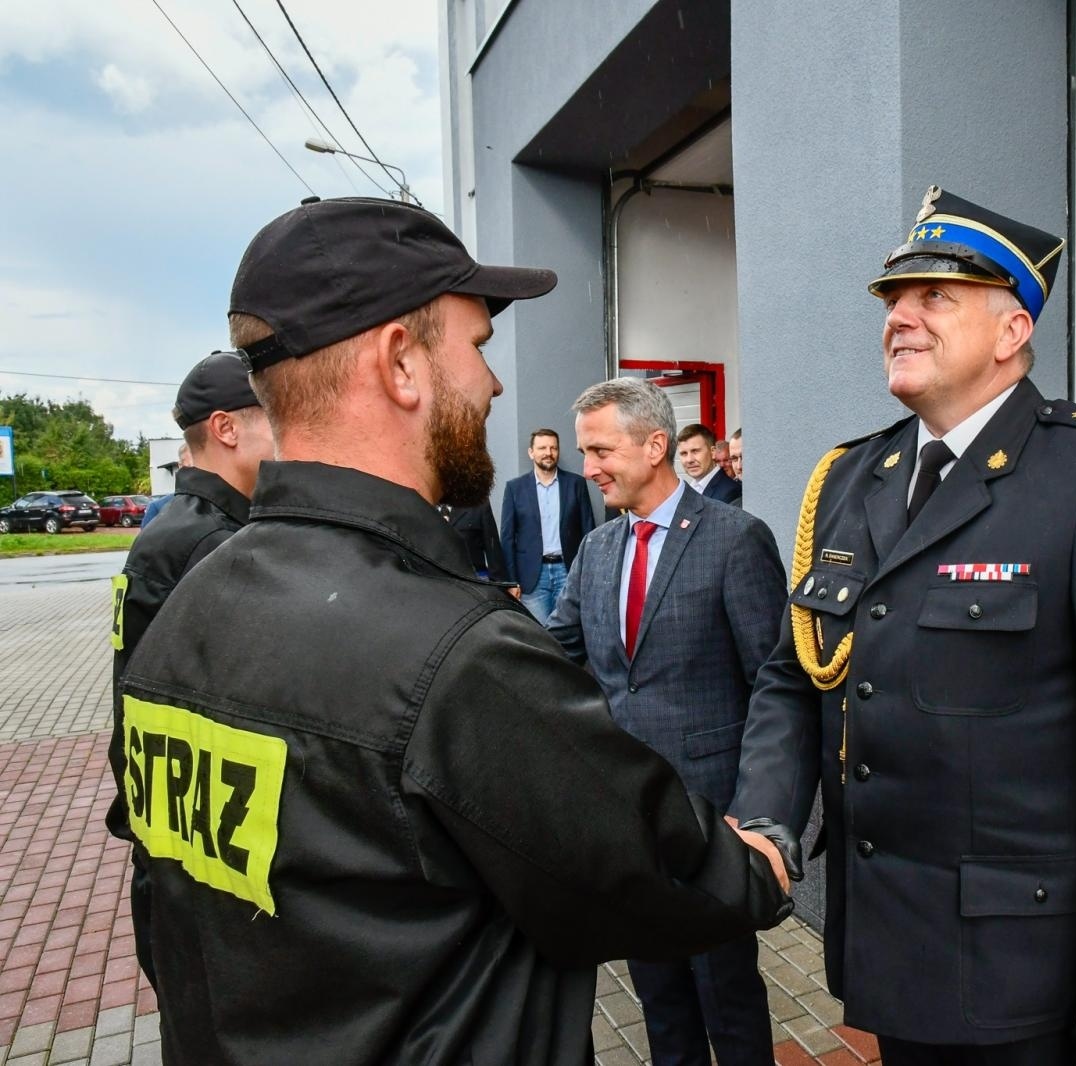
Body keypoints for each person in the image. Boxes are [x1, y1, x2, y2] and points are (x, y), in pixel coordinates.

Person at [117, 196, 790, 1065]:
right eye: (476, 347)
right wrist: (761, 866)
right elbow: (638, 872)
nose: (494, 383)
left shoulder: (185, 611)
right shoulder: (454, 653)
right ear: (401, 362)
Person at [730, 186, 1076, 1066]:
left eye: (934, 298)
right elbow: (790, 671)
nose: (900, 319)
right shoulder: (853, 477)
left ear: (1011, 334)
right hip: (888, 946)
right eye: (894, 301)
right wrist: (767, 817)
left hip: (1024, 968)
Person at [548, 378, 787, 1066]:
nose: (587, 467)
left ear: (656, 446)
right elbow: (551, 656)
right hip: (631, 825)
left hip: (714, 823)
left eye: (599, 450)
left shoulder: (735, 540)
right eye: (583, 451)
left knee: (726, 995)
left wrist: (758, 813)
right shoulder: (596, 551)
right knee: (660, 999)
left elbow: (772, 685)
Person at [107, 349, 276, 991]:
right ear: (228, 429)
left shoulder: (177, 527)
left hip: (173, 833)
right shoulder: (216, 543)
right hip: (202, 855)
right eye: (273, 420)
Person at [500, 428, 595, 622]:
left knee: (570, 630)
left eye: (553, 448)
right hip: (532, 576)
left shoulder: (576, 484)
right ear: (531, 452)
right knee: (539, 636)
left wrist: (588, 573)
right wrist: (511, 580)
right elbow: (507, 538)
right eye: (542, 448)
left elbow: (589, 530)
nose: (548, 453)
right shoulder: (515, 488)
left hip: (569, 571)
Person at [439, 500, 511, 583]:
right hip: (432, 585)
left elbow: (493, 553)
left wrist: (500, 587)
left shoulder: (477, 504)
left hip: (472, 583)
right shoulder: (423, 505)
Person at [677, 422, 741, 506]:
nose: (689, 460)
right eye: (684, 453)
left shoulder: (730, 492)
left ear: (713, 452)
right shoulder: (687, 489)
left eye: (695, 451)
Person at [139, 442, 194, 528]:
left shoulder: (219, 506)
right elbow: (146, 541)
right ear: (180, 466)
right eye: (192, 466)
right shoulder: (158, 508)